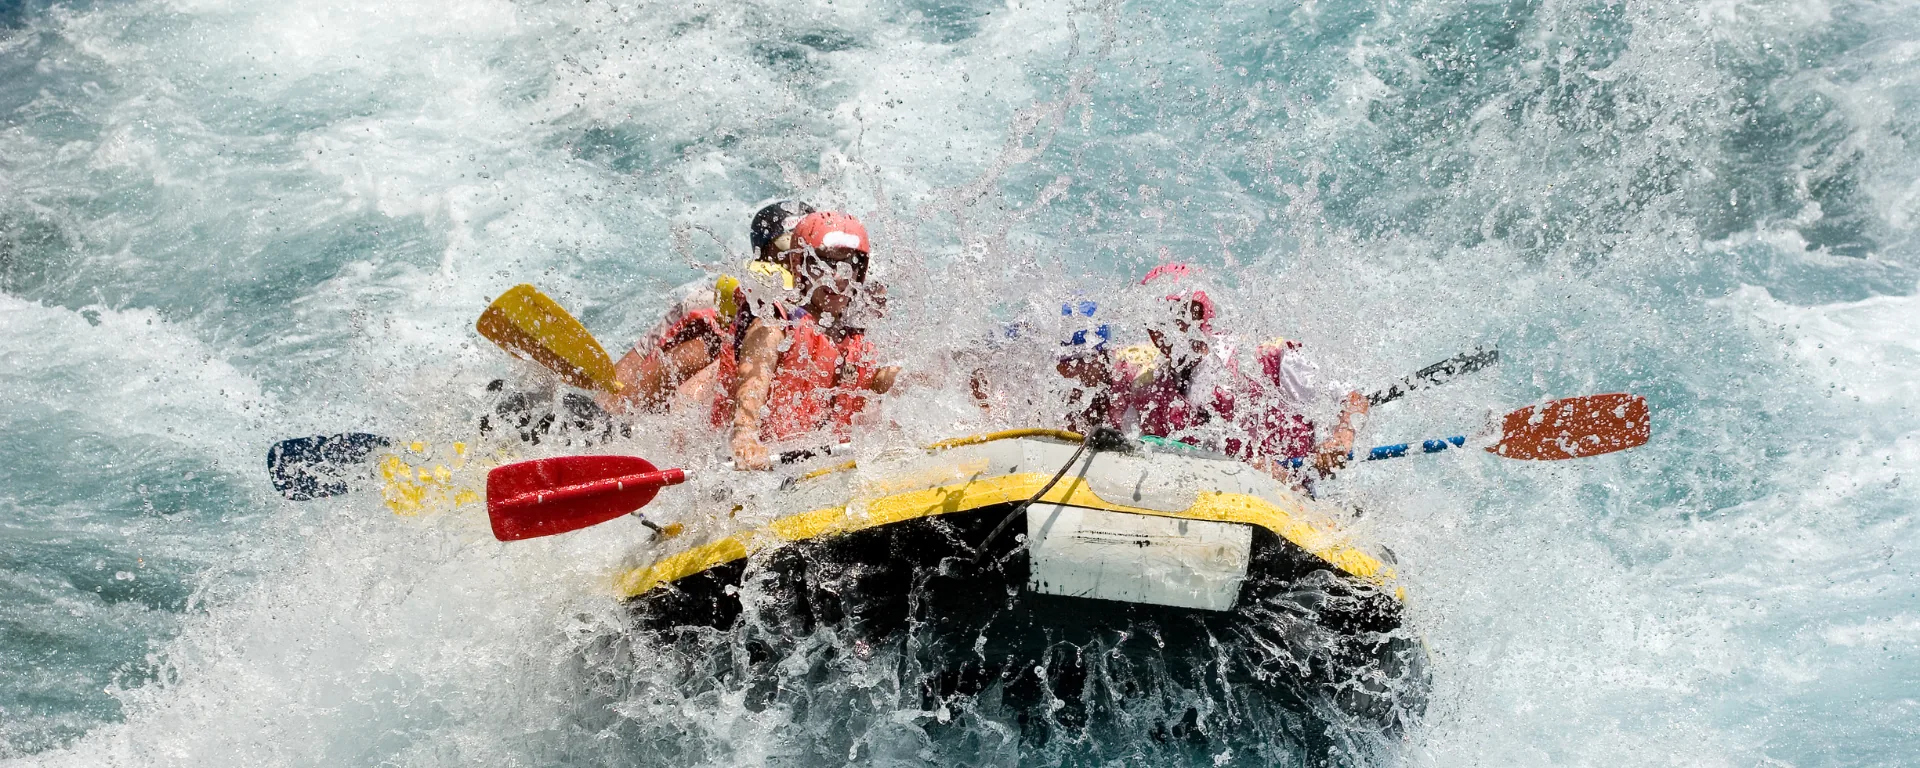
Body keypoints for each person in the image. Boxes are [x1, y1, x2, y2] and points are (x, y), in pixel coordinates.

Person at [1104, 264, 1369, 484]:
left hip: (1290, 498)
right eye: (1166, 320)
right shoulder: (1148, 393)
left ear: (1205, 316)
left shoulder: (1261, 358)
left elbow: (1353, 398)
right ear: (1152, 330)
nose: (1182, 326)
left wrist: (1341, 437)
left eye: (1189, 314)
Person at [713, 211, 899, 469]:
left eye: (847, 265)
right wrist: (745, 438)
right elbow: (754, 378)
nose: (837, 278)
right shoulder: (775, 321)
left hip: (821, 468)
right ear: (799, 266)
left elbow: (882, 381)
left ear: (861, 271)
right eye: (823, 265)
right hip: (754, 468)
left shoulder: (861, 335)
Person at [600, 201, 814, 415]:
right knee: (700, 346)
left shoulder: (838, 290)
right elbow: (638, 357)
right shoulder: (714, 296)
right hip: (709, 391)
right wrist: (606, 404)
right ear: (763, 255)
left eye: (809, 254)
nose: (799, 264)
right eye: (789, 254)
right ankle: (610, 416)